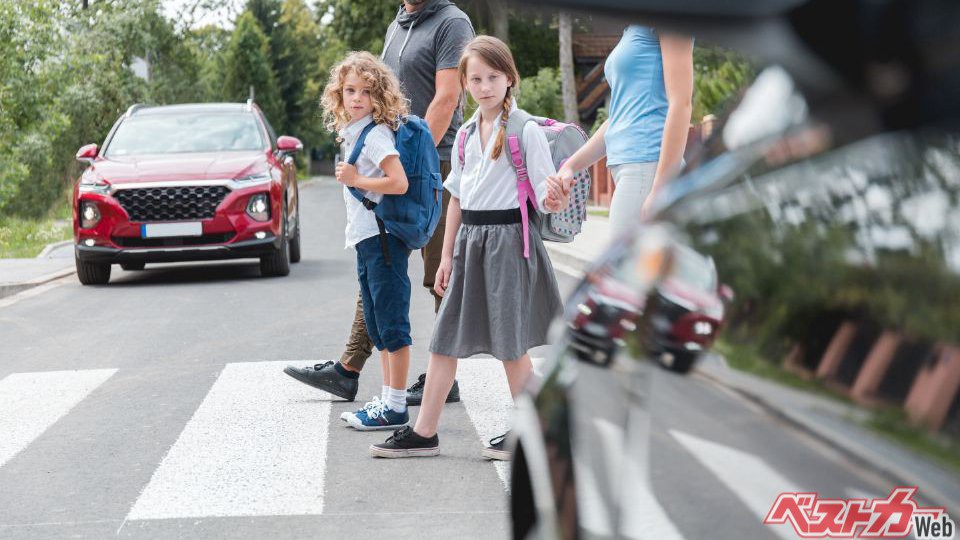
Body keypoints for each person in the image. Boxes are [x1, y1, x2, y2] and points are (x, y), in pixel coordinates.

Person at [370, 36, 571, 459]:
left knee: (510, 348)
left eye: (492, 77)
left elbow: (544, 195)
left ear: (509, 78)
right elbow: (457, 199)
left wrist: (555, 195)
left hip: (510, 246)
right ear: (463, 83)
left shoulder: (525, 130)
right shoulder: (463, 135)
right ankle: (425, 432)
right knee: (444, 340)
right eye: (475, 79)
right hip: (470, 244)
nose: (484, 86)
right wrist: (446, 256)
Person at [284, 0, 474, 409]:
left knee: (438, 270)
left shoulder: (452, 22)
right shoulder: (398, 24)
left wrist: (408, 161)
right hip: (395, 160)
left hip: (431, 162)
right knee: (379, 262)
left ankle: (445, 374)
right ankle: (349, 368)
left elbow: (446, 97)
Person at [317, 51, 413, 430]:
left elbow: (399, 182)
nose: (356, 98)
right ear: (338, 96)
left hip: (383, 239)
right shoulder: (356, 132)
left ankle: (396, 405)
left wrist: (357, 180)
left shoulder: (375, 136)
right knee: (377, 325)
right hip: (368, 240)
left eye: (366, 91)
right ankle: (389, 400)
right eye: (349, 90)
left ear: (380, 96)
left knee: (391, 326)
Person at [553, 25, 693, 235]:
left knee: (622, 265)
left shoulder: (668, 16)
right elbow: (618, 119)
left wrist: (661, 188)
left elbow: (681, 103)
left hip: (648, 167)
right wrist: (571, 166)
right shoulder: (633, 28)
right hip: (635, 170)